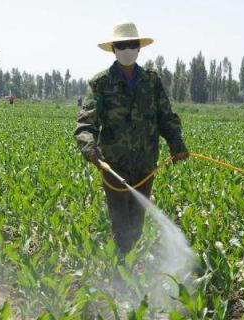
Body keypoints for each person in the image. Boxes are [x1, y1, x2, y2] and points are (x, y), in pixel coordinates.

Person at [75, 22, 189, 253]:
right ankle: (120, 275)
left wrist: (177, 145)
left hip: (146, 164)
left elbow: (166, 117)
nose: (127, 49)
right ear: (114, 49)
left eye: (132, 44)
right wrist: (89, 148)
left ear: (139, 49)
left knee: (136, 224)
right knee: (121, 224)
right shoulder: (100, 83)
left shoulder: (151, 81)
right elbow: (86, 122)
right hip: (114, 165)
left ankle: (129, 267)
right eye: (122, 45)